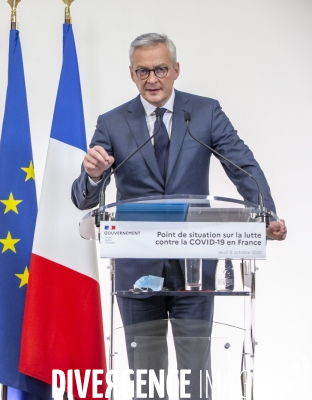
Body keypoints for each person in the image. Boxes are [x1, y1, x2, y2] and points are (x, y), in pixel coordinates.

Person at [71, 33, 286, 399]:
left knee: (195, 373)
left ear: (176, 70)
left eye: (160, 69)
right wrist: (92, 174)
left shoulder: (204, 112)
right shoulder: (111, 123)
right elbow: (84, 197)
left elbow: (242, 165)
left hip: (195, 265)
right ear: (131, 73)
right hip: (136, 268)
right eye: (143, 71)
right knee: (146, 375)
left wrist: (265, 213)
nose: (152, 79)